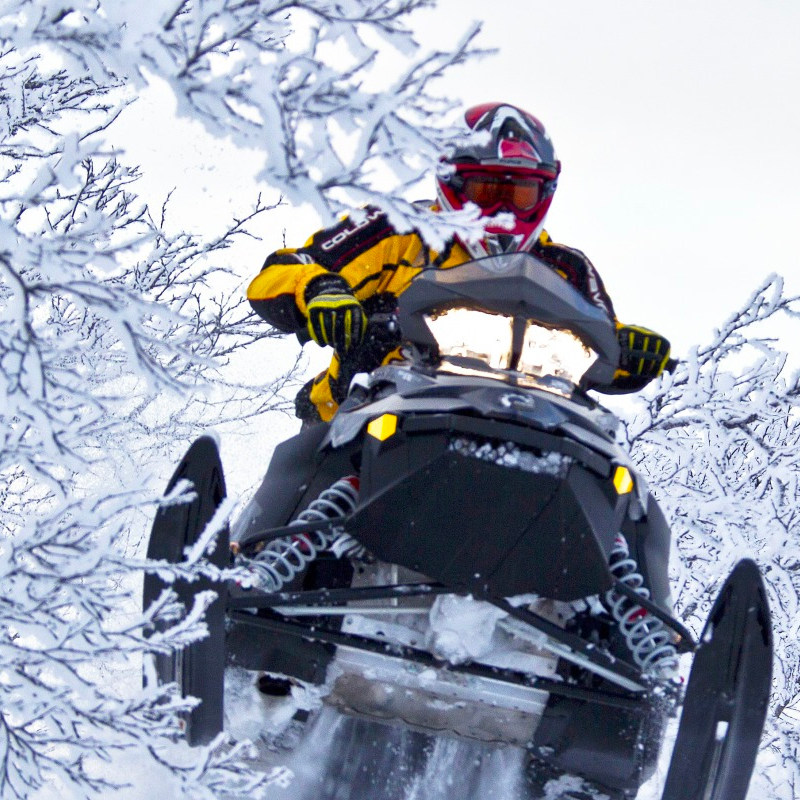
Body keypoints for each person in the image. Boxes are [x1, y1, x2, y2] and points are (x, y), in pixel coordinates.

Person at [247, 102, 672, 426]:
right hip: (364, 415)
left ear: (543, 193)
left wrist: (632, 351)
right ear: (452, 181)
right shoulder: (396, 228)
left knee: (614, 484)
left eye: (519, 195)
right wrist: (319, 290)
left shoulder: (567, 269)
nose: (503, 211)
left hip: (527, 429)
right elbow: (285, 269)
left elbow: (601, 346)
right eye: (487, 191)